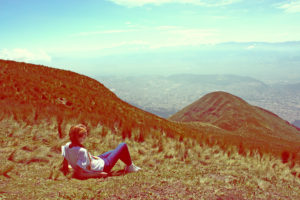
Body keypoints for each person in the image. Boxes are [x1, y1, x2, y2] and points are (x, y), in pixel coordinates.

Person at [61, 124, 141, 179]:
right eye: (83, 135)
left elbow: (65, 163)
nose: (85, 137)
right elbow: (80, 174)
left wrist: (70, 167)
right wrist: (98, 174)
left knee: (115, 151)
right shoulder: (82, 151)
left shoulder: (67, 146)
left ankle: (130, 166)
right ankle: (130, 166)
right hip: (103, 167)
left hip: (95, 160)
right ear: (77, 136)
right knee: (123, 145)